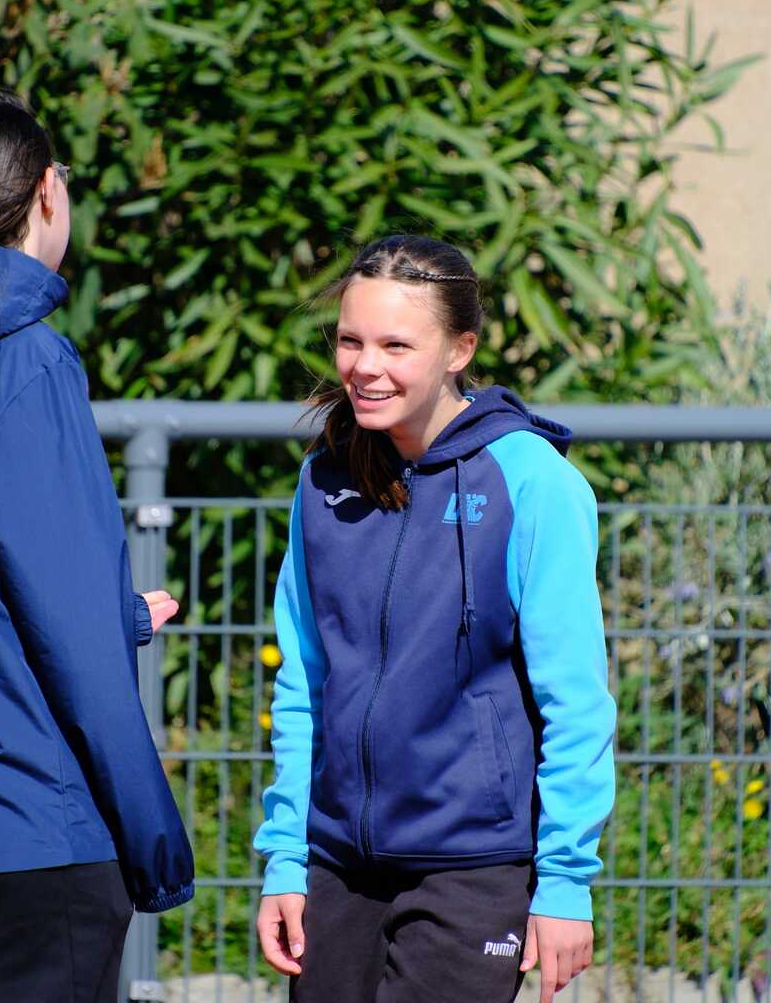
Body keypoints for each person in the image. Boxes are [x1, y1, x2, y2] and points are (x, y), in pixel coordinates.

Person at [255, 233, 616, 1003]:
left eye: (396, 345)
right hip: (336, 866)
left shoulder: (533, 482)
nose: (365, 366)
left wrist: (564, 882)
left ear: (460, 350)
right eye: (350, 341)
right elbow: (302, 686)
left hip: (474, 869)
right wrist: (286, 858)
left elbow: (576, 701)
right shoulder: (322, 481)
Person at [0, 90, 194, 1002]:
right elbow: (73, 645)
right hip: (30, 837)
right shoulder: (26, 362)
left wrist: (111, 617)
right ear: (45, 194)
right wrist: (155, 843)